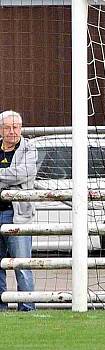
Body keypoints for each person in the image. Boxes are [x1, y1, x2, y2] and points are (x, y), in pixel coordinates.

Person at [0, 110, 37, 312]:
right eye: (7, 127)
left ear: (21, 128)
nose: (12, 131)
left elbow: (24, 173)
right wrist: (8, 177)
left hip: (18, 215)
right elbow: (14, 175)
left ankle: (27, 307)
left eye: (15, 127)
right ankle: (1, 307)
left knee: (22, 264)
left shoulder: (29, 148)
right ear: (1, 130)